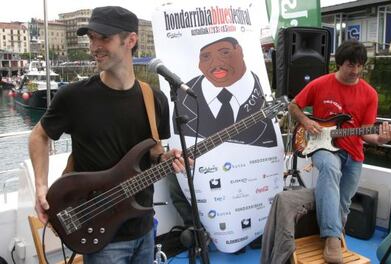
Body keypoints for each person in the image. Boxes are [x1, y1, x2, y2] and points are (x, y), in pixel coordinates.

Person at [28, 6, 188, 264]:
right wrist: (40, 187)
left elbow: (155, 152)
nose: (94, 46)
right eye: (91, 38)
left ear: (131, 40)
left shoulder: (154, 98)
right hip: (101, 235)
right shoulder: (74, 96)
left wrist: (170, 158)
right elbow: (39, 136)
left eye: (104, 38)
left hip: (145, 228)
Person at [288, 40, 391, 263]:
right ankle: (332, 239)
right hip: (321, 145)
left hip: (354, 152)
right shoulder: (320, 84)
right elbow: (293, 106)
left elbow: (367, 134)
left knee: (343, 203)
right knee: (330, 168)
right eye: (350, 65)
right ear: (339, 63)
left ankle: (332, 234)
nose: (355, 71)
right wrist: (306, 122)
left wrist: (382, 139)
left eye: (359, 66)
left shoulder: (370, 94)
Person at [173, 37, 278, 148]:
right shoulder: (182, 96)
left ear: (240, 51)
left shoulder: (260, 93)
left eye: (225, 52)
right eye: (206, 56)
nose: (216, 64)